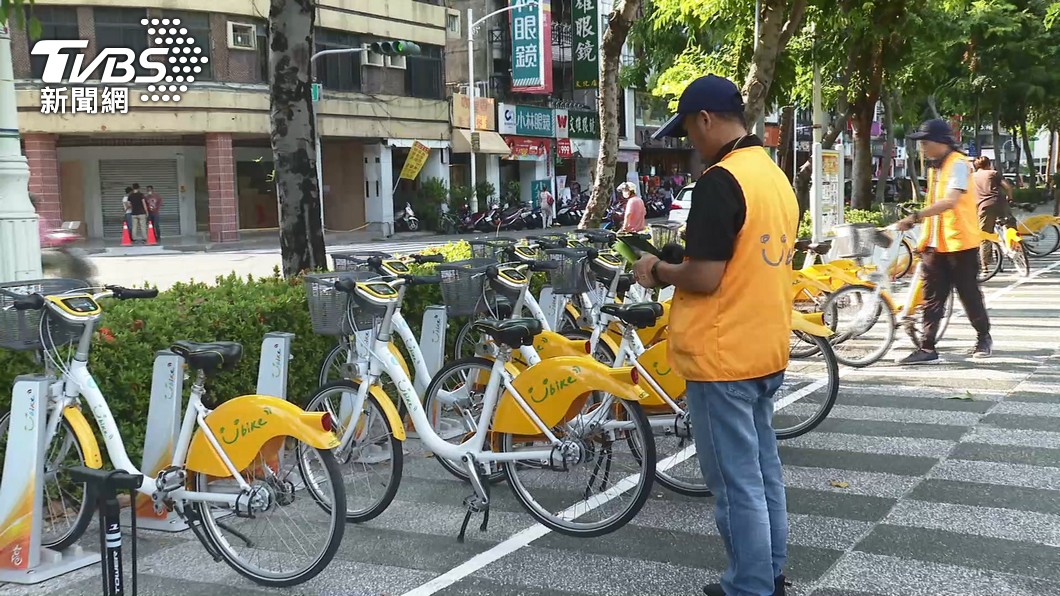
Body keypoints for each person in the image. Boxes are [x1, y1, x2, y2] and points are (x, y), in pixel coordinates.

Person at [632, 74, 797, 596]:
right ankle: (768, 573)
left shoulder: (719, 181)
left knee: (734, 483)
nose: (689, 143)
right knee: (763, 472)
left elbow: (705, 277)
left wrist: (657, 269)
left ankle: (749, 587)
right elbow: (743, 257)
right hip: (766, 347)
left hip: (723, 357)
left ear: (706, 119)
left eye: (688, 130)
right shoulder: (773, 176)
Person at [897, 119, 992, 362]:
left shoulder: (958, 164)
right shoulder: (936, 167)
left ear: (941, 142)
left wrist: (916, 216)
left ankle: (983, 337)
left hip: (959, 243)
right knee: (932, 297)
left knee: (968, 293)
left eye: (926, 143)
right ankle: (927, 348)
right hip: (935, 243)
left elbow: (950, 201)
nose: (923, 148)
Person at [972, 156, 1013, 273]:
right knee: (1010, 224)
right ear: (988, 164)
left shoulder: (971, 178)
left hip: (983, 207)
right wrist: (1010, 198)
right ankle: (1015, 248)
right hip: (1000, 203)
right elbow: (1007, 187)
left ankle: (985, 266)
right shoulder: (993, 173)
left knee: (985, 235)